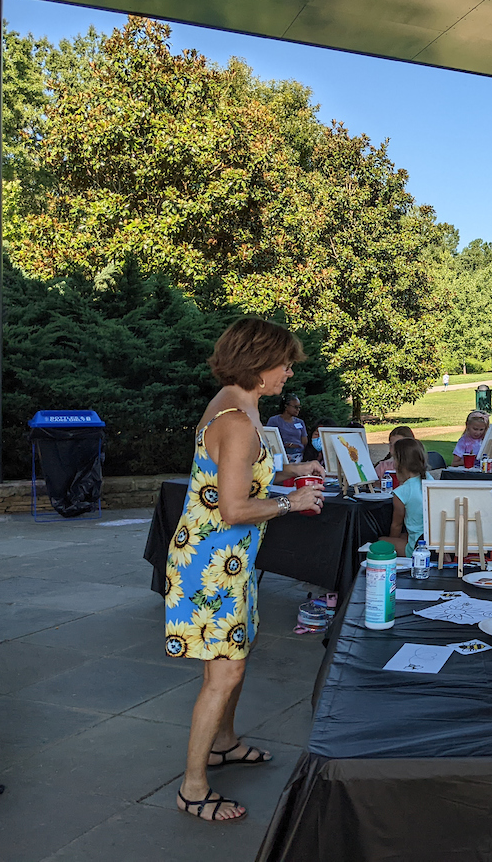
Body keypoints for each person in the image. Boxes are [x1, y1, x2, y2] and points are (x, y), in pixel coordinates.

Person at [166, 318, 325, 822]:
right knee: (224, 669)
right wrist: (292, 503)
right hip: (210, 564)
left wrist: (289, 472)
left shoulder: (239, 405)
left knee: (235, 655)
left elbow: (241, 470)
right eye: (283, 365)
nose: (288, 375)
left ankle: (225, 743)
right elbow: (234, 507)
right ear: (258, 364)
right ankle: (193, 788)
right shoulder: (236, 419)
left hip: (226, 560)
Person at [383, 438, 428, 556]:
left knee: (380, 542)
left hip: (419, 545)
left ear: (398, 463)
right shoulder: (429, 479)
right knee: (404, 536)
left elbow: (396, 525)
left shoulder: (402, 492)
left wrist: (392, 542)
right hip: (433, 539)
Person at [266, 394, 307, 462]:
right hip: (281, 454)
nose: (298, 410)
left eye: (299, 407)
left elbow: (304, 441)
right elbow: (269, 439)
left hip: (298, 455)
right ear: (286, 406)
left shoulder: (300, 422)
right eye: (295, 407)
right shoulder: (274, 421)